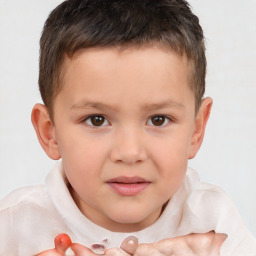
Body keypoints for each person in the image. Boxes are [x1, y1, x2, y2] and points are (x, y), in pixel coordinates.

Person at [0, 0, 255, 255]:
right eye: (96, 120)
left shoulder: (214, 224)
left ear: (196, 130)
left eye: (158, 120)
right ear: (50, 132)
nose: (130, 152)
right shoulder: (15, 225)